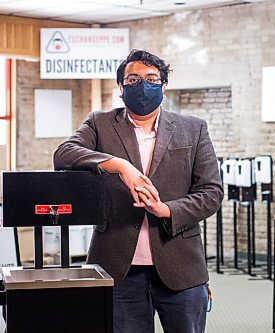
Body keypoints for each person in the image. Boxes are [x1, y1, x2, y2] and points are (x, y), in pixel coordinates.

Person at [54, 49, 223, 333]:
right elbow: (64, 154)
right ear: (120, 88)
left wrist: (166, 210)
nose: (142, 86)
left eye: (151, 79)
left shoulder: (192, 129)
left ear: (164, 87)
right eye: (132, 80)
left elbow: (211, 192)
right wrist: (118, 165)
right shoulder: (100, 123)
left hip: (181, 264)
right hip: (118, 267)